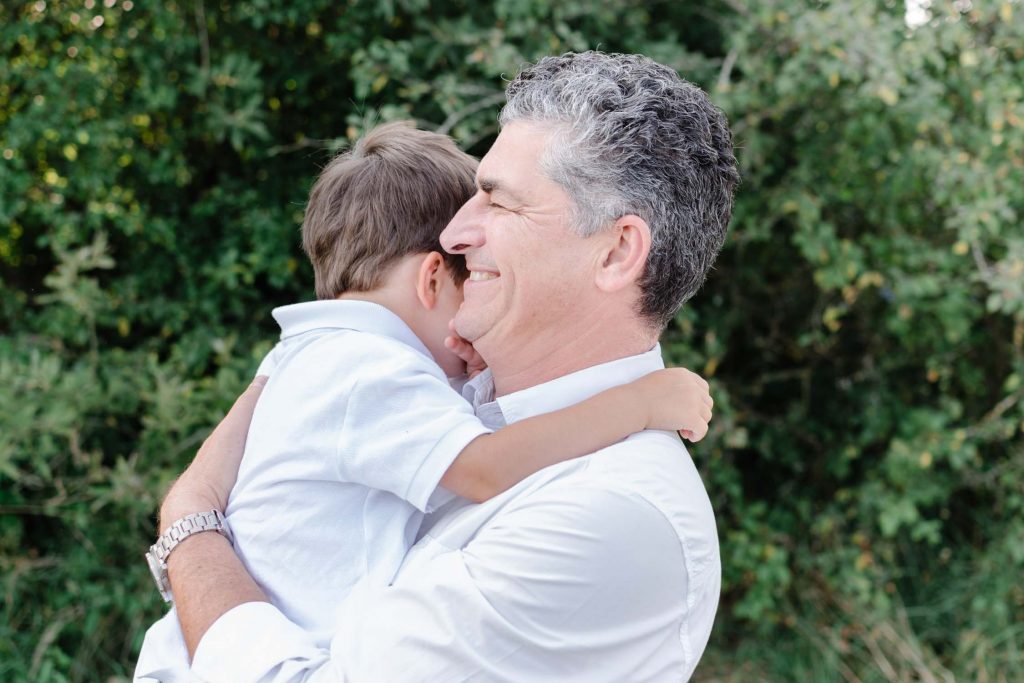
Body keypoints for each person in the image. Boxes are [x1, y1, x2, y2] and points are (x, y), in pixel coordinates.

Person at [154, 50, 739, 682]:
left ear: (617, 252)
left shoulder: (613, 517)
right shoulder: (424, 384)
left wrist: (191, 531)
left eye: (500, 204)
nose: (453, 234)